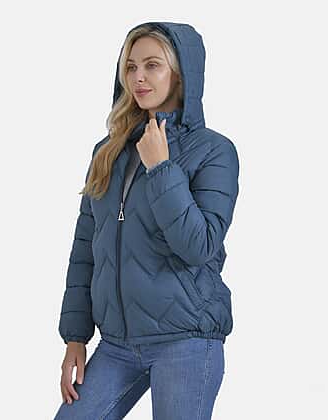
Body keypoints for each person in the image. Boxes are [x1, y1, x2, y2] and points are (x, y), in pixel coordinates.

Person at [54, 21, 240, 420]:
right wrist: (75, 336)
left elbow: (200, 245)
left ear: (181, 72)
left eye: (152, 65)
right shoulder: (108, 151)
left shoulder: (214, 151)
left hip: (186, 340)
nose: (138, 77)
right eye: (131, 66)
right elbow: (85, 248)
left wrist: (161, 169)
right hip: (117, 344)